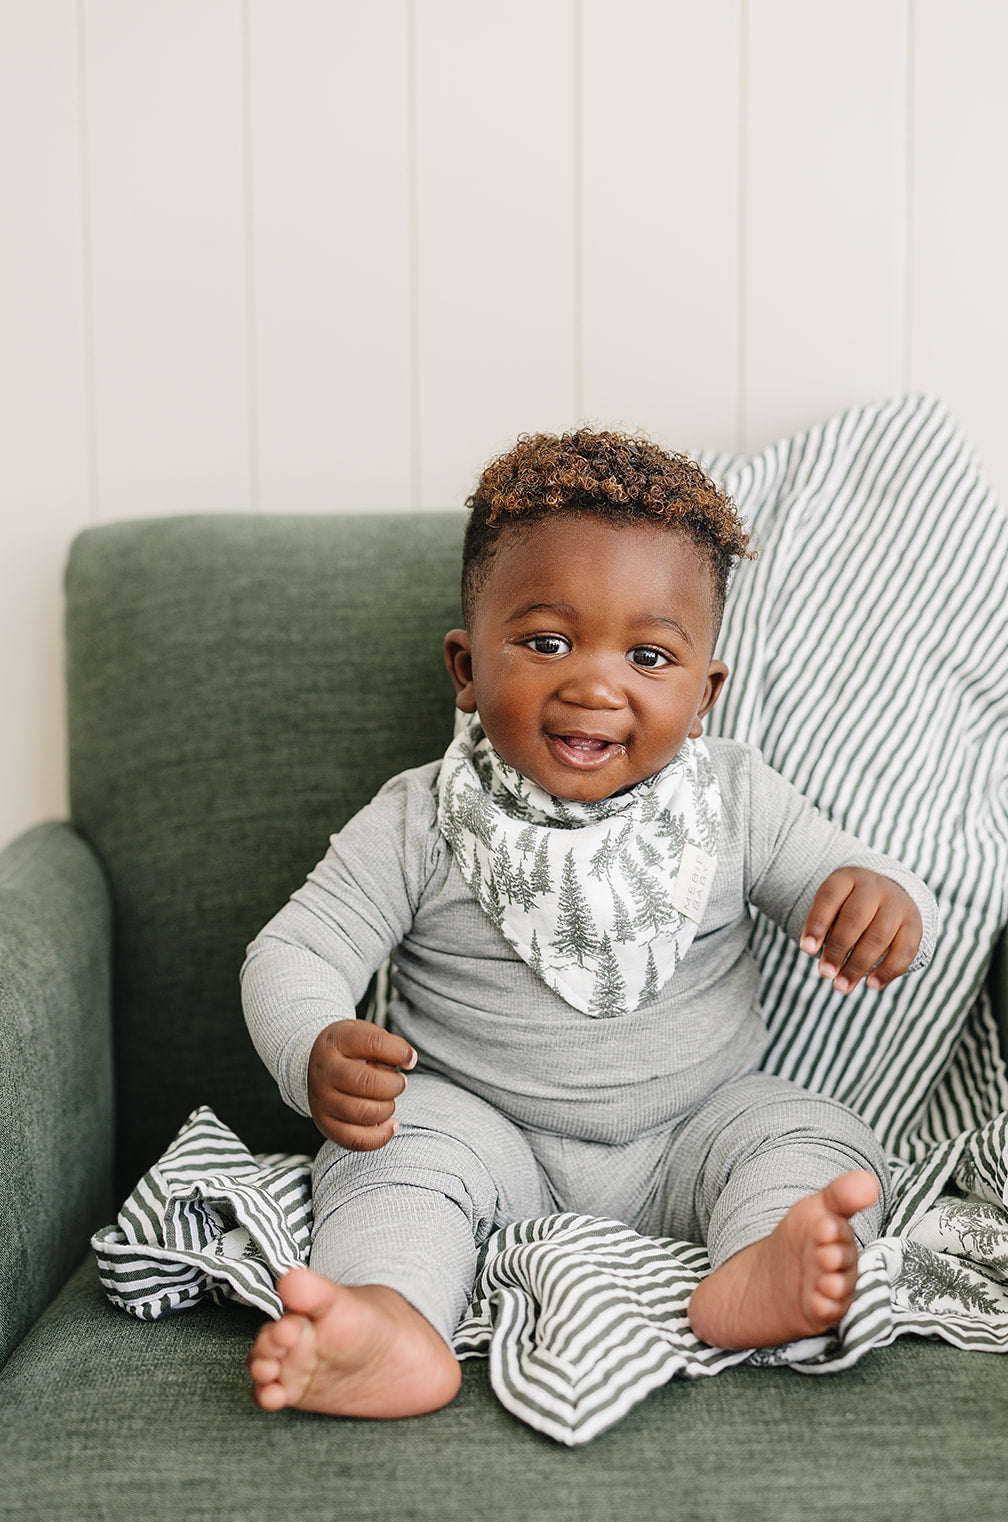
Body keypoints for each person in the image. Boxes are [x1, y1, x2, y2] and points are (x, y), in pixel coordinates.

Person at [242, 428, 937, 1419]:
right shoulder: (418, 818)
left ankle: (762, 1269)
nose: (595, 685)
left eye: (647, 656)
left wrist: (876, 898)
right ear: (466, 668)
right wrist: (310, 1044)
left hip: (698, 1130)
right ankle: (388, 1319)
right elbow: (294, 948)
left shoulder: (735, 799)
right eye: (545, 642)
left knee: (811, 1132)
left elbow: (843, 872)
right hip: (487, 1136)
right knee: (391, 1153)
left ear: (704, 694)